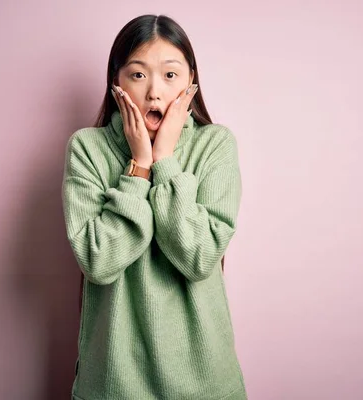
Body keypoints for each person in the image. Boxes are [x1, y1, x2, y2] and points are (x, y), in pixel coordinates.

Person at [62, 14, 246, 400]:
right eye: (139, 74)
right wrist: (139, 168)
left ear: (191, 84)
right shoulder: (87, 148)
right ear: (116, 83)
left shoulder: (215, 145)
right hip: (113, 383)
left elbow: (199, 256)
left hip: (205, 382)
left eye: (170, 75)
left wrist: (164, 160)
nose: (154, 93)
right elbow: (99, 261)